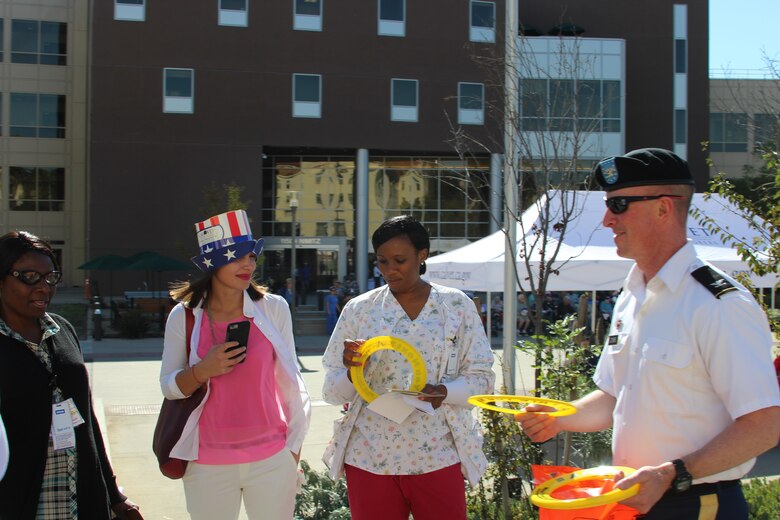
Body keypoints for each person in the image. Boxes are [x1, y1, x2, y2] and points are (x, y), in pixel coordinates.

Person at [516, 148, 780, 518]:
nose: (607, 219)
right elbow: (613, 396)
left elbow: (764, 426)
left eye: (620, 204)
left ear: (664, 208)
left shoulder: (719, 304)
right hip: (633, 498)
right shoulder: (633, 294)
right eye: (608, 205)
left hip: (695, 501)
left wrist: (674, 473)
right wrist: (560, 417)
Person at [322, 215, 495, 520]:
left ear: (422, 255)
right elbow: (331, 392)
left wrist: (444, 392)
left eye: (400, 260)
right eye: (382, 261)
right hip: (369, 456)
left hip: (438, 453)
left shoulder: (456, 307)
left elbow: (482, 380)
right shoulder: (360, 310)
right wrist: (352, 371)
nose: (390, 269)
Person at [160, 210, 311, 520]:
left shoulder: (274, 309)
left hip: (271, 458)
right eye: (237, 256)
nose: (249, 264)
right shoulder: (184, 317)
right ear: (212, 263)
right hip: (206, 464)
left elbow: (290, 382)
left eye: (252, 256)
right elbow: (169, 387)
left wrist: (291, 451)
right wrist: (203, 370)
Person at [0, 231, 142, 519]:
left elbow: (87, 420)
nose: (43, 287)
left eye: (50, 277)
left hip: (82, 499)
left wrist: (114, 496)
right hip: (18, 502)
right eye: (29, 277)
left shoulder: (63, 330)